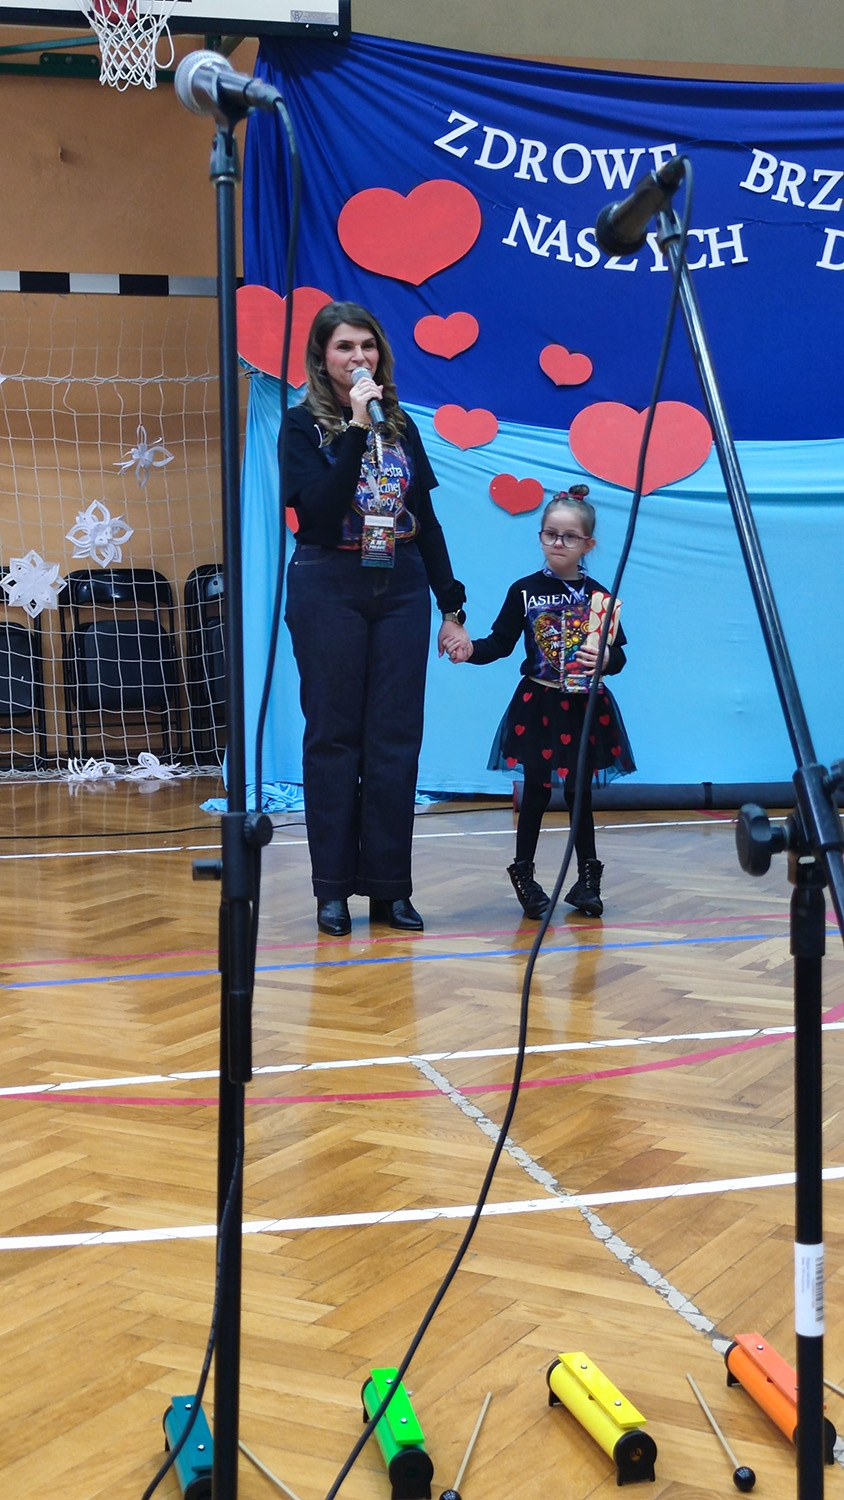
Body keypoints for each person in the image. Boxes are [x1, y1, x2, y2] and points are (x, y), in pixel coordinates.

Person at [282, 301, 469, 937]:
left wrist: (451, 605)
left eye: (367, 345)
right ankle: (332, 890)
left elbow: (427, 520)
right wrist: (358, 428)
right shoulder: (301, 426)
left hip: (400, 583)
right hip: (328, 583)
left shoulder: (402, 425)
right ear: (322, 357)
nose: (358, 357)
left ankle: (390, 889)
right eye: (344, 347)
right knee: (334, 737)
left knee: (395, 737)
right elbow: (318, 510)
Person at [443, 484, 634, 919]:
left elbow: (619, 655)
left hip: (584, 706)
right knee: (536, 790)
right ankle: (525, 876)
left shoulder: (600, 598)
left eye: (569, 537)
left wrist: (606, 659)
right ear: (541, 536)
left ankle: (587, 880)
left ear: (588, 544)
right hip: (539, 705)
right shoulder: (524, 591)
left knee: (579, 792)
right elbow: (500, 643)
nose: (558, 543)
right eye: (550, 534)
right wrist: (469, 650)